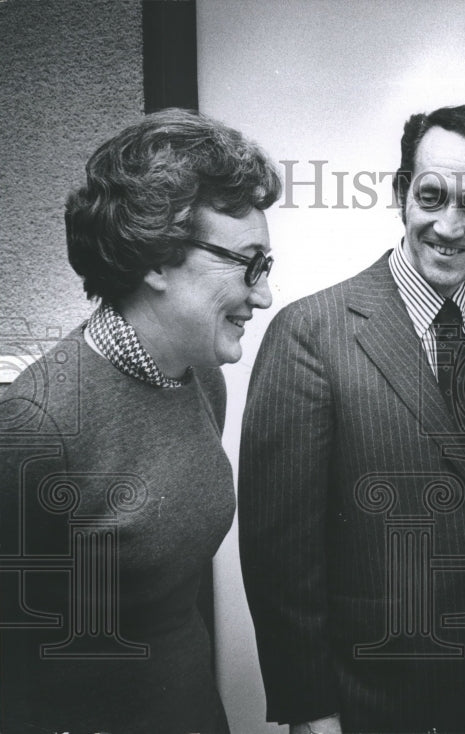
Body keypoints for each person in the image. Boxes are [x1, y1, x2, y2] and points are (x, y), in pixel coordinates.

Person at [239, 103, 465, 733]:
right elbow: (280, 562)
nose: (449, 225)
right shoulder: (310, 334)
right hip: (379, 699)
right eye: (431, 197)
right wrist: (310, 711)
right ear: (401, 193)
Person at [0, 108, 281, 733]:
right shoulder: (35, 426)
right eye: (247, 263)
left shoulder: (200, 375)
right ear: (156, 260)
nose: (262, 294)